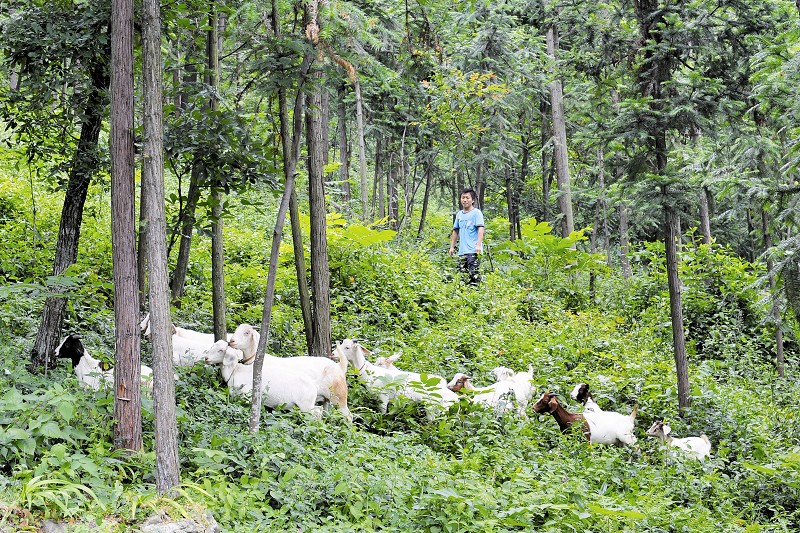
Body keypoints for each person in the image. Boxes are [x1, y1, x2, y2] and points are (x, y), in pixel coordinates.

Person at [449, 188, 485, 285]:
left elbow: (481, 229)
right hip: (462, 251)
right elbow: (455, 230)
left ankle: (476, 296)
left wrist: (478, 245)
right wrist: (452, 247)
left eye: (467, 198)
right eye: (463, 198)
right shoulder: (459, 214)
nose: (465, 200)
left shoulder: (476, 213)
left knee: (474, 276)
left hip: (474, 251)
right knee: (462, 277)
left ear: (472, 200)